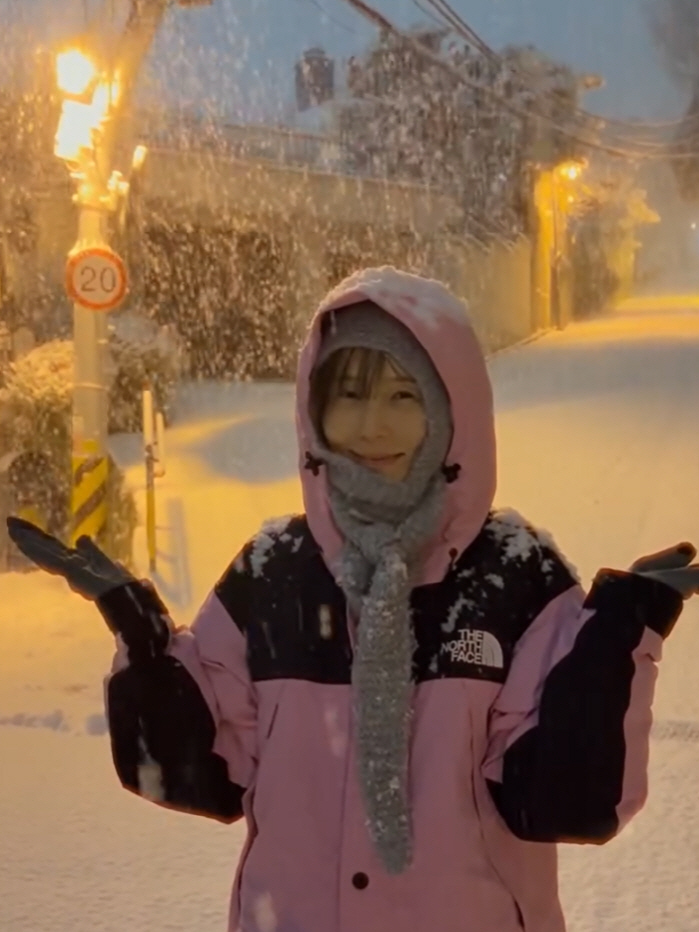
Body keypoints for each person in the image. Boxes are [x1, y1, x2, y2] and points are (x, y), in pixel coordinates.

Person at [8, 266, 699, 932]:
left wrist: (618, 635)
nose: (373, 426)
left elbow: (561, 800)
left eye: (404, 396)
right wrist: (137, 630)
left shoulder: (512, 574)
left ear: (451, 407)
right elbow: (195, 772)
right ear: (315, 407)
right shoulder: (273, 570)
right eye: (349, 394)